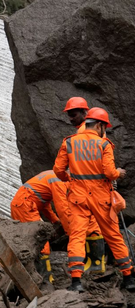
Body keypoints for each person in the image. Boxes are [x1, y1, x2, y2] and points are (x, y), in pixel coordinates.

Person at [54, 107, 134, 293]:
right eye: (104, 127)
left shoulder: (70, 143)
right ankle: (129, 278)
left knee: (77, 237)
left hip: (78, 197)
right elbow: (109, 172)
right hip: (101, 198)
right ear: (99, 125)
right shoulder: (104, 145)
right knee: (113, 236)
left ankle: (76, 282)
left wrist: (70, 179)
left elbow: (58, 171)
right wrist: (119, 174)